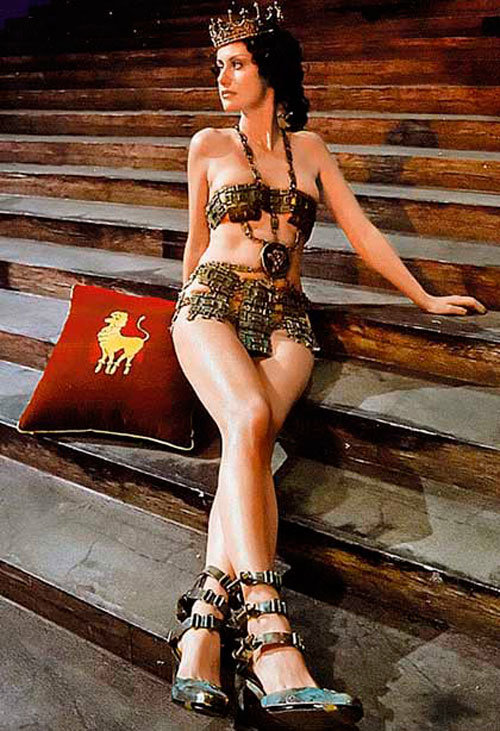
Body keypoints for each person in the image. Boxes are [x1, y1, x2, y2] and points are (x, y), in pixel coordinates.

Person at [165, 1, 486, 727]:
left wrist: (425, 297)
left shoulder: (310, 149)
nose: (221, 77)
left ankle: (203, 630)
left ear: (270, 70)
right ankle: (271, 636)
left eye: (235, 64)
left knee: (247, 444)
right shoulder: (207, 144)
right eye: (217, 66)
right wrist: (178, 328)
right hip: (212, 301)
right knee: (249, 418)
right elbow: (194, 244)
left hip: (287, 317)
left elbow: (362, 231)